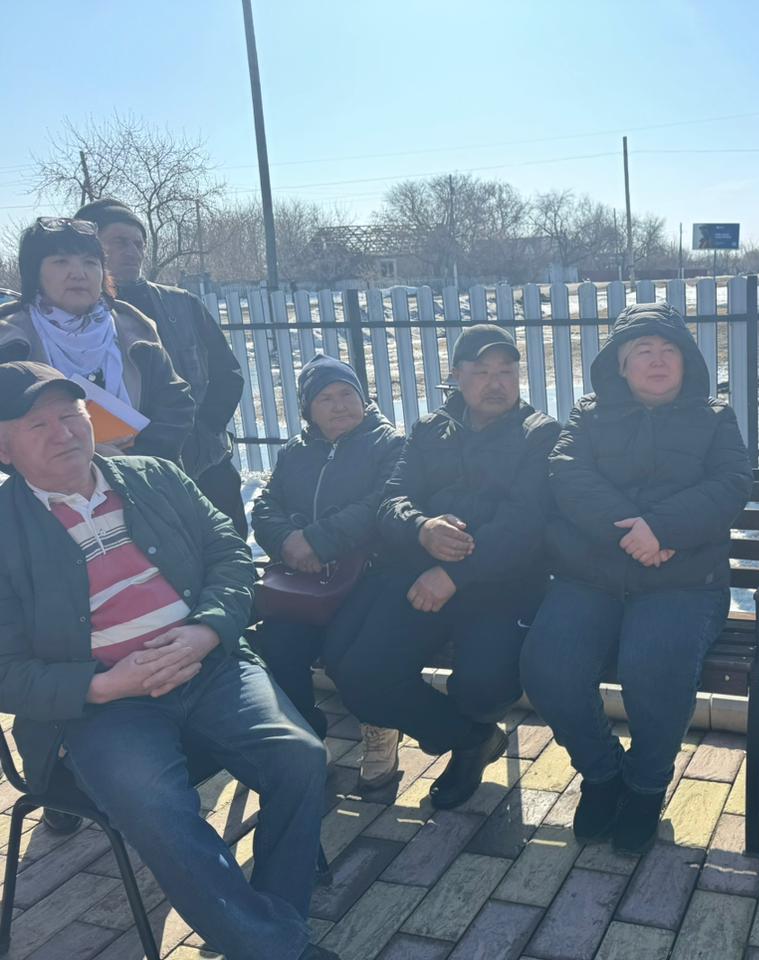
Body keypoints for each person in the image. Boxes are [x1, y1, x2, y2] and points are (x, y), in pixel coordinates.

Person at [0, 362, 336, 960]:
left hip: (209, 665)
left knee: (299, 755)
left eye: (72, 415)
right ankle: (281, 949)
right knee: (155, 807)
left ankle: (268, 937)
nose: (65, 433)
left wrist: (206, 631)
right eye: (38, 424)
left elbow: (230, 557)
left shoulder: (155, 476)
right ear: (3, 447)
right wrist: (104, 686)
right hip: (102, 706)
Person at [520, 302, 752, 855]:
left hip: (683, 580)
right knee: (548, 667)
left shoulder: (715, 416)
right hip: (591, 576)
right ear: (620, 365)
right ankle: (602, 772)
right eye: (642, 351)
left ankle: (646, 785)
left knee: (654, 664)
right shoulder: (589, 414)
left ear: (687, 360)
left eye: (669, 349)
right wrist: (632, 530)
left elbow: (731, 483)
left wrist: (663, 528)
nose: (657, 360)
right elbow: (567, 474)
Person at [325, 324, 560, 809]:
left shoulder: (539, 434)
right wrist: (421, 527)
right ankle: (471, 740)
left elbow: (526, 524)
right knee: (361, 676)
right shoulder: (430, 429)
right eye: (482, 371)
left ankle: (473, 725)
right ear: (456, 376)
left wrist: (456, 573)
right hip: (421, 577)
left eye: (506, 371)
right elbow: (392, 499)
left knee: (484, 687)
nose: (496, 383)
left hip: (501, 586)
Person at [250, 354, 405, 792]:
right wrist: (288, 542)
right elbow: (265, 505)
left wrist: (317, 541)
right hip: (303, 582)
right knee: (278, 648)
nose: (339, 406)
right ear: (308, 410)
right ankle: (307, 741)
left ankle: (379, 725)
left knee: (348, 656)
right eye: (325, 399)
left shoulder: (389, 444)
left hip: (369, 578)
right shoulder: (294, 453)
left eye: (346, 394)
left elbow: (379, 504)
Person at [77, 198, 248, 537]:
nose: (133, 252)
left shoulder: (181, 304)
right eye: (119, 242)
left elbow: (228, 375)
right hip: (119, 473)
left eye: (138, 243)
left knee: (227, 548)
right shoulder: (71, 318)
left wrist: (203, 433)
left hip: (205, 466)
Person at [0, 217, 193, 463]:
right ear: (34, 272)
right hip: (45, 480)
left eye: (90, 262)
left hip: (140, 475)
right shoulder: (9, 340)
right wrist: (84, 457)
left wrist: (130, 461)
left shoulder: (135, 329)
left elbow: (175, 407)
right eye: (61, 262)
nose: (79, 274)